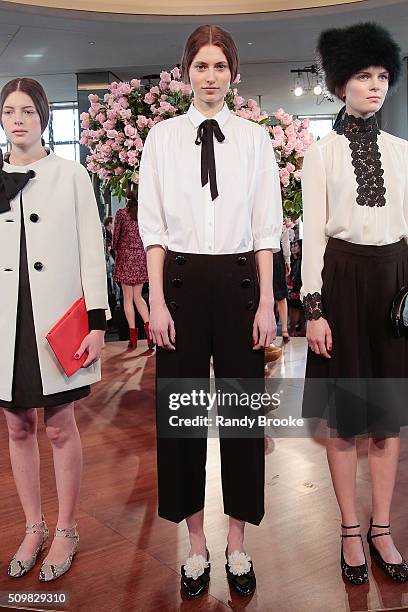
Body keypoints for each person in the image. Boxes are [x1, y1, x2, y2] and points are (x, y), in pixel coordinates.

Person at [138, 25, 282, 598]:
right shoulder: (161, 137)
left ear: (234, 74)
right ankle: (195, 545)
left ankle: (237, 544)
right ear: (185, 72)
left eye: (220, 66)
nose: (211, 76)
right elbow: (152, 228)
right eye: (201, 65)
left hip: (243, 280)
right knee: (183, 418)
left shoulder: (255, 139)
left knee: (244, 420)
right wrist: (156, 301)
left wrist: (268, 302)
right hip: (179, 281)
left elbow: (268, 230)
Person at [301, 23, 408, 585]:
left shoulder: (403, 152)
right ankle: (349, 527)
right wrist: (314, 309)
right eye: (364, 76)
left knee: (387, 420)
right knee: (344, 421)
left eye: (383, 76)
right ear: (341, 82)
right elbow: (313, 234)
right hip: (341, 284)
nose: (375, 86)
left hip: (393, 283)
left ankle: (382, 526)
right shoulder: (319, 155)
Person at [0, 78, 108, 581]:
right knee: (17, 426)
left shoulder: (71, 175)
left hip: (57, 323)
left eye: (26, 110)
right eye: (8, 111)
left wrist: (97, 324)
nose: (17, 118)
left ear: (43, 116)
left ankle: (66, 528)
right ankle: (33, 525)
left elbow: (92, 250)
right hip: (6, 322)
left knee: (60, 425)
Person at [113, 187, 153, 349]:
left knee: (127, 298)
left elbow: (116, 237)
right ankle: (149, 333)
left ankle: (133, 337)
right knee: (139, 297)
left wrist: (116, 248)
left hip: (125, 258)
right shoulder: (144, 214)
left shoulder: (122, 214)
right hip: (140, 258)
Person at [273, 223, 291, 343]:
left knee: (263, 295)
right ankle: (284, 330)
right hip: (277, 254)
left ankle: (270, 330)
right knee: (281, 296)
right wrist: (287, 260)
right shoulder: (282, 219)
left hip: (260, 253)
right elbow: (285, 241)